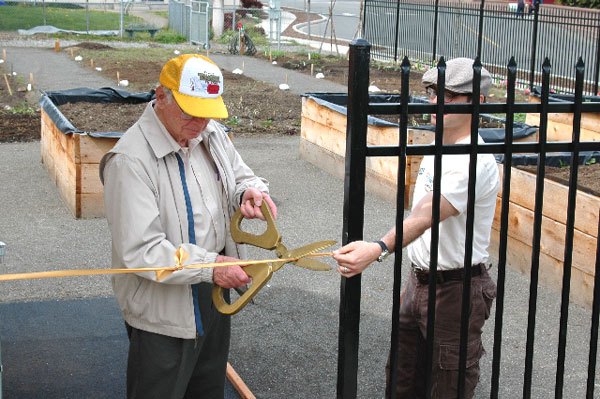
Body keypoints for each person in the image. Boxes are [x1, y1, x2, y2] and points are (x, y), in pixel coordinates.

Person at [100, 53, 277, 398]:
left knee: (207, 390)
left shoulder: (209, 134)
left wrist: (248, 192)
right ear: (160, 96)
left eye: (208, 112)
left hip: (213, 292)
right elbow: (142, 250)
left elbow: (241, 175)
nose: (199, 122)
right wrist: (211, 267)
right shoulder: (130, 161)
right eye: (189, 111)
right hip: (161, 309)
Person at [333, 57, 499, 398]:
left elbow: (425, 215)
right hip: (420, 280)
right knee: (402, 381)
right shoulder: (438, 146)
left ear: (478, 102)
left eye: (450, 96)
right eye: (434, 92)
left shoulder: (474, 160)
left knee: (445, 386)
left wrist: (378, 248)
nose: (437, 102)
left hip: (457, 290)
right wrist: (415, 283)